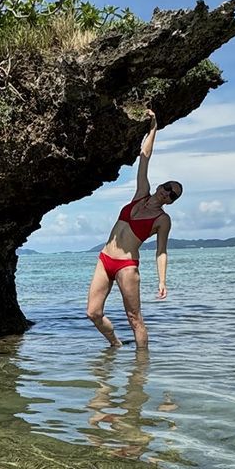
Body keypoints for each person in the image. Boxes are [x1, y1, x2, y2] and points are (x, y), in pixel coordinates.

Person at [85, 111, 182, 349]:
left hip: (127, 266)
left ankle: (141, 370)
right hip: (105, 258)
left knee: (135, 319)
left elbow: (161, 252)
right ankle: (116, 345)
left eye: (173, 194)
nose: (167, 192)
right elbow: (144, 156)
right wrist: (153, 127)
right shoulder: (141, 194)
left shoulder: (162, 219)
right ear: (161, 185)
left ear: (171, 201)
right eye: (168, 187)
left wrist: (162, 281)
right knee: (93, 313)